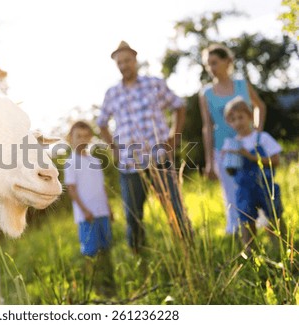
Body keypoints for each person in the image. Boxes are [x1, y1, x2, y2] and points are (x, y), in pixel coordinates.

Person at [97, 41, 188, 254]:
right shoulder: (112, 93)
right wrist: (115, 149)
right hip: (130, 165)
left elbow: (179, 106)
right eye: (119, 62)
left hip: (159, 158)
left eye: (127, 60)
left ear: (135, 60)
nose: (124, 65)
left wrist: (174, 137)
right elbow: (101, 123)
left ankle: (187, 251)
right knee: (133, 215)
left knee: (175, 207)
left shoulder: (154, 84)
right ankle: (141, 260)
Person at [199, 44, 266, 234]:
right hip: (224, 149)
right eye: (207, 65)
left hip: (250, 145)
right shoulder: (206, 93)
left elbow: (259, 106)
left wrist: (257, 132)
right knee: (232, 193)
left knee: (258, 185)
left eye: (214, 62)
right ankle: (239, 233)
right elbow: (207, 126)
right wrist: (209, 161)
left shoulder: (241, 85)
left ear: (227, 61)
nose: (211, 68)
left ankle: (266, 225)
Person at [221, 97, 283, 254]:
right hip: (244, 188)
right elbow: (230, 170)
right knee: (246, 219)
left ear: (250, 116)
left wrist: (250, 156)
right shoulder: (231, 143)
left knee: (274, 215)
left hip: (265, 185)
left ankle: (281, 247)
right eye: (233, 119)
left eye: (241, 117)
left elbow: (276, 160)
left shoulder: (261, 138)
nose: (238, 123)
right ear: (229, 123)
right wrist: (227, 158)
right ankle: (250, 253)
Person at [64, 121, 115, 295]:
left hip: (102, 213)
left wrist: (109, 208)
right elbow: (71, 189)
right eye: (79, 136)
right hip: (87, 216)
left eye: (86, 136)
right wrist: (85, 211)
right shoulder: (71, 162)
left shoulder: (94, 160)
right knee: (90, 252)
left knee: (106, 248)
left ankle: (110, 282)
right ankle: (96, 288)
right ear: (71, 138)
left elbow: (101, 187)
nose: (83, 140)